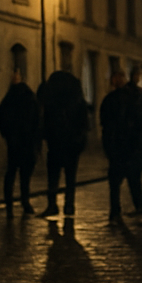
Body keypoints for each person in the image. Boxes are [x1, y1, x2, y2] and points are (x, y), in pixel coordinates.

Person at [99, 68, 142, 223]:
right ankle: (123, 209)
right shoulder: (120, 98)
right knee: (125, 179)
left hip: (126, 145)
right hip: (124, 145)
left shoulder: (132, 97)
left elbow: (141, 119)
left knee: (125, 179)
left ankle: (123, 210)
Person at [36, 69, 89, 218]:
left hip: (56, 143)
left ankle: (53, 205)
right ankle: (69, 205)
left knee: (53, 176)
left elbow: (45, 119)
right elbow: (83, 122)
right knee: (70, 177)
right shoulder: (76, 99)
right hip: (71, 144)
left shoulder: (52, 99)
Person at [0, 69, 40, 215]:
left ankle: (14, 204)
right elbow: (37, 119)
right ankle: (21, 202)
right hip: (22, 141)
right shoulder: (24, 96)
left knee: (15, 173)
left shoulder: (16, 97)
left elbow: (1, 115)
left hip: (18, 141)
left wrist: (8, 133)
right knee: (21, 174)